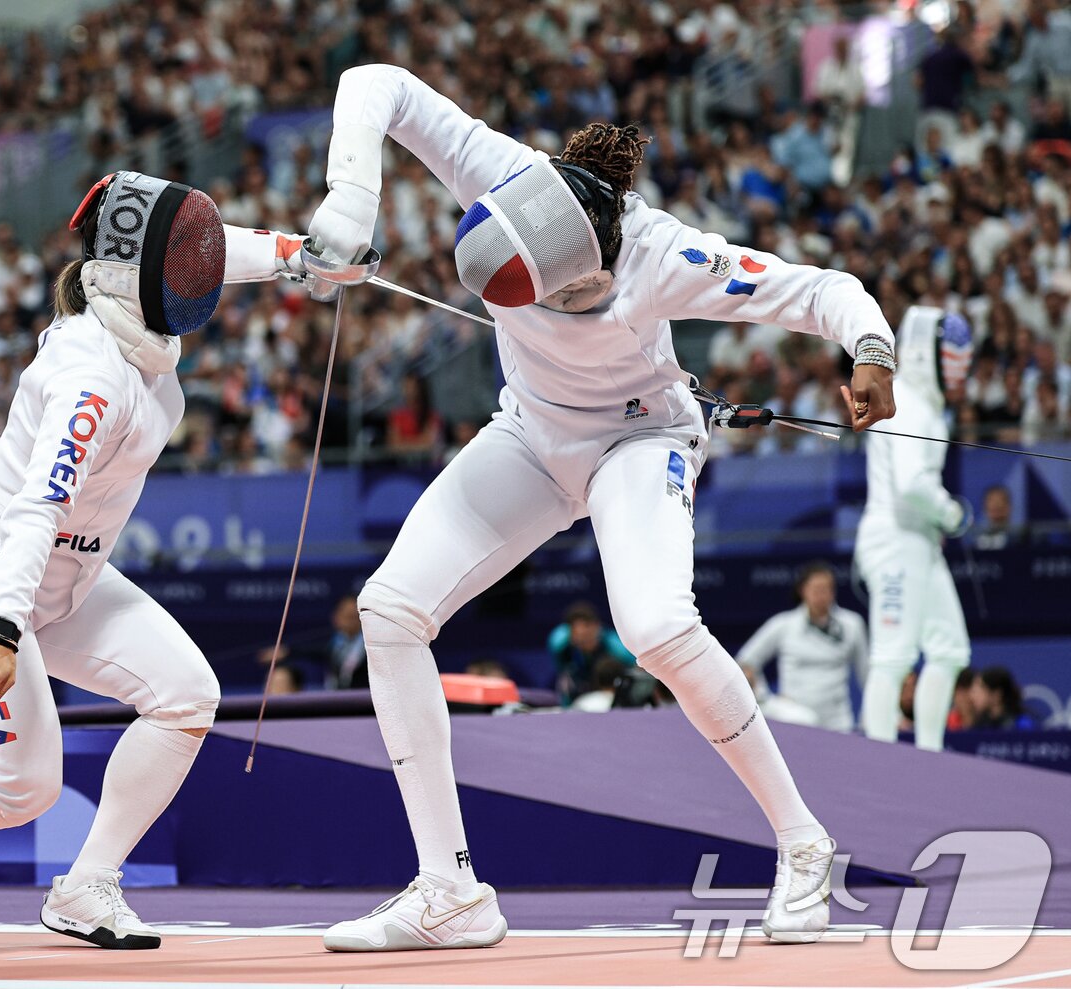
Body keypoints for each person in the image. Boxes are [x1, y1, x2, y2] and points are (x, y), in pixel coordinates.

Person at [306, 64, 898, 952]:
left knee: (656, 625)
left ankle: (804, 843)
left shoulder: (665, 254)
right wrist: (351, 198)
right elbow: (373, 81)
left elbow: (815, 289)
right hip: (531, 437)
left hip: (639, 442)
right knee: (389, 612)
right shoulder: (499, 170)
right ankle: (450, 890)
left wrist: (871, 346)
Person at [0, 171, 318, 949]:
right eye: (178, 261)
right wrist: (1, 630)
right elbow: (38, 506)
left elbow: (210, 250)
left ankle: (86, 886)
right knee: (20, 791)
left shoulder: (141, 334)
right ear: (130, 274)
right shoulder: (89, 373)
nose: (197, 273)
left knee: (185, 694)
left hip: (69, 580)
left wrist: (304, 256)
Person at [856, 307, 974, 753]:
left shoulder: (923, 405)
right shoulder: (907, 401)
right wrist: (952, 515)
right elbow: (912, 486)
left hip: (919, 543)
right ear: (932, 354)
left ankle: (928, 757)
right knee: (892, 657)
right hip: (895, 542)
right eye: (954, 355)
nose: (960, 366)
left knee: (948, 649)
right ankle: (881, 766)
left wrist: (939, 520)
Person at [736, 562, 867, 732]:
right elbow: (745, 662)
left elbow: (867, 675)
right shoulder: (783, 624)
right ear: (803, 590)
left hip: (838, 722)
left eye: (825, 589)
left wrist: (867, 719)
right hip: (795, 720)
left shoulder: (852, 624)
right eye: (815, 589)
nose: (821, 596)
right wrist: (764, 699)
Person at [547, 601, 633, 704]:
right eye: (580, 638)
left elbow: (635, 665)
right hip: (574, 704)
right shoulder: (562, 647)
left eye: (587, 635)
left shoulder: (614, 646)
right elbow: (555, 639)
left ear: (597, 626)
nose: (584, 641)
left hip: (609, 703)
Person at [969, 666, 1039, 730]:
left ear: (996, 695)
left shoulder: (1023, 725)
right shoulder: (979, 724)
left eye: (979, 690)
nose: (973, 696)